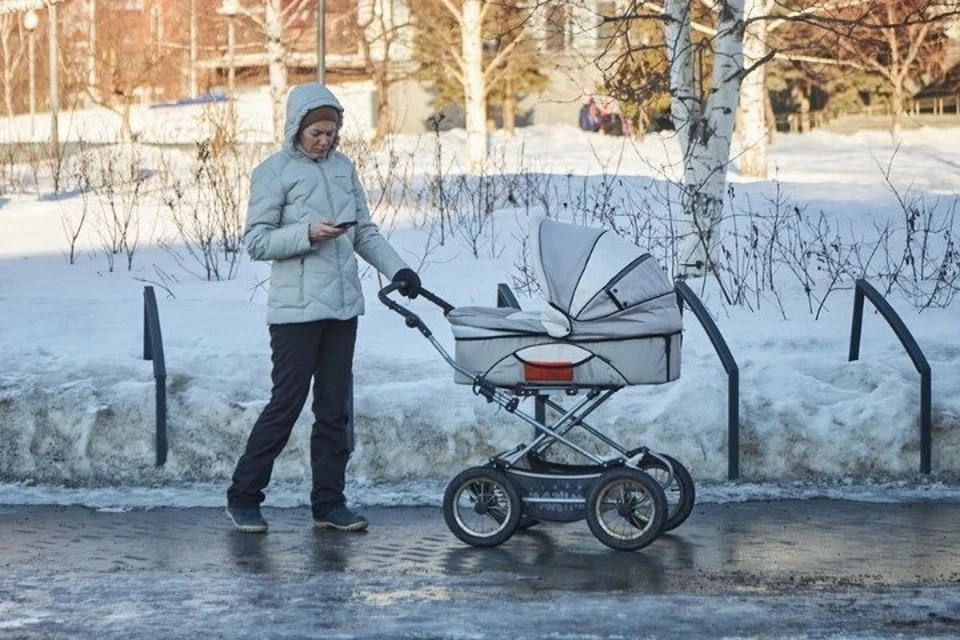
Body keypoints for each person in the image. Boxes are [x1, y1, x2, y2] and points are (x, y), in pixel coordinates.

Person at [225, 82, 421, 534]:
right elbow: (255, 241)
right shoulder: (273, 172)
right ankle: (243, 496)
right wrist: (306, 233)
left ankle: (329, 504)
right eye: (316, 131)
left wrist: (399, 270)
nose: (324, 139)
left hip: (341, 308)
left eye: (331, 132)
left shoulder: (343, 169)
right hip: (295, 313)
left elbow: (364, 232)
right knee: (286, 405)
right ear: (297, 127)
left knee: (335, 409)